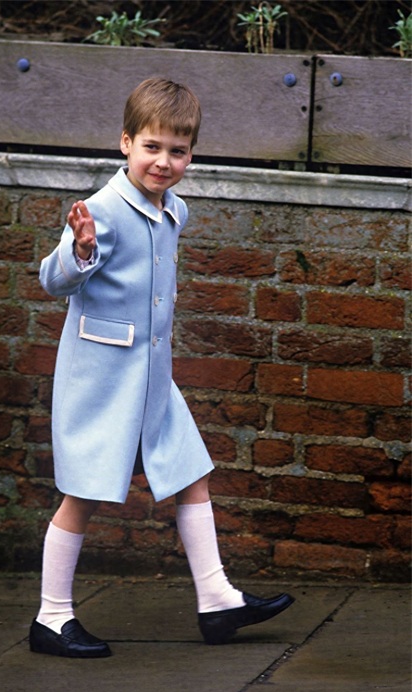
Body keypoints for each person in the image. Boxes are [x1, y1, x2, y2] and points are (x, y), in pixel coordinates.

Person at [29, 78, 294, 658]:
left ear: (191, 155)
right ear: (125, 142)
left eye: (178, 151)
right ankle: (51, 617)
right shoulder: (101, 210)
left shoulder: (174, 209)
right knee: (83, 494)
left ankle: (217, 600)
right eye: (151, 147)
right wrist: (80, 250)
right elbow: (52, 280)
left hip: (152, 377)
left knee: (190, 472)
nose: (163, 162)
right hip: (100, 379)